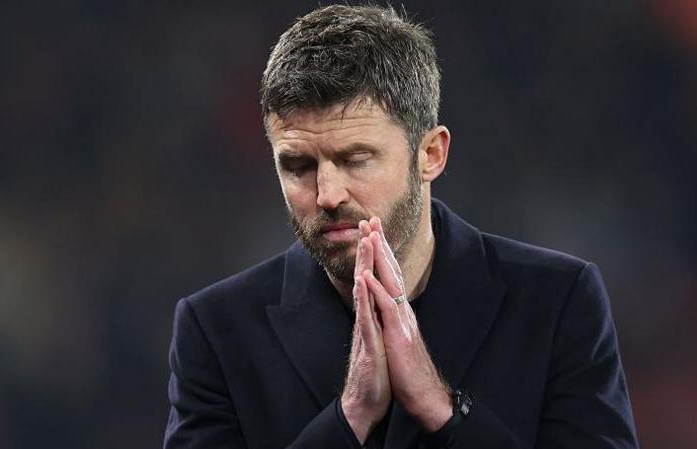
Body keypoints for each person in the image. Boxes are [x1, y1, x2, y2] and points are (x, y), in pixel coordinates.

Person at [164, 4, 638, 449]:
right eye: (298, 165)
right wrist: (349, 417)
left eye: (356, 159)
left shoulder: (557, 302)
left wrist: (442, 409)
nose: (327, 194)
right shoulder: (216, 331)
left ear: (430, 154)